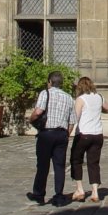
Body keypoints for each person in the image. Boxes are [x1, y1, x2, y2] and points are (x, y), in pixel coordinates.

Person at [26, 71, 75, 207]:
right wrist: (66, 134)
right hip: (61, 134)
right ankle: (59, 196)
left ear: (49, 82)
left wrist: (31, 120)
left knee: (42, 165)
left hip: (46, 133)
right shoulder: (69, 97)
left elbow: (38, 111)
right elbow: (72, 121)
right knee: (59, 166)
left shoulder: (45, 93)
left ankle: (39, 194)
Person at [70, 76, 108, 203]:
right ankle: (95, 192)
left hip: (83, 134)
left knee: (76, 160)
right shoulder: (99, 97)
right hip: (98, 134)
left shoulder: (80, 99)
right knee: (93, 163)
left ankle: (80, 189)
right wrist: (98, 110)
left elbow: (75, 117)